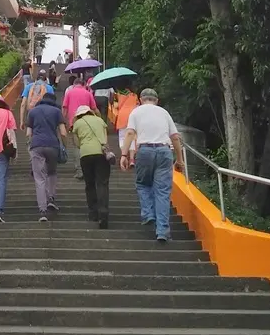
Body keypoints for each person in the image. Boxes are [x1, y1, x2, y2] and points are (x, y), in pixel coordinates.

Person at [119, 88, 185, 243]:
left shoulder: (136, 112)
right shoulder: (164, 113)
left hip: (145, 151)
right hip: (164, 151)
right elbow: (175, 137)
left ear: (141, 99)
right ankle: (162, 231)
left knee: (143, 184)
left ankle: (148, 214)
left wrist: (124, 155)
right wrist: (180, 160)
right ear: (157, 100)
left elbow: (129, 133)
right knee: (162, 192)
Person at [26, 91, 67, 221]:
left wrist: (30, 147)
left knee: (39, 178)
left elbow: (28, 133)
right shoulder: (56, 111)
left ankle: (42, 210)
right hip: (53, 145)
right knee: (52, 172)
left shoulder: (33, 112)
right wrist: (64, 146)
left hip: (37, 145)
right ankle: (51, 198)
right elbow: (63, 132)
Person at [72, 105, 111, 229]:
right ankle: (103, 213)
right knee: (102, 183)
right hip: (101, 154)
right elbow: (105, 139)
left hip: (85, 154)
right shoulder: (100, 121)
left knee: (89, 184)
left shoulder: (77, 124)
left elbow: (76, 143)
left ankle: (93, 212)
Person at [62, 78, 97, 180]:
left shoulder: (69, 92)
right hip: (88, 122)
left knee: (77, 146)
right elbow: (94, 108)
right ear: (83, 84)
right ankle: (89, 169)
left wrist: (63, 121)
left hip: (74, 123)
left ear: (74, 84)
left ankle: (79, 171)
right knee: (88, 143)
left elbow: (65, 108)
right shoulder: (88, 93)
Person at [115, 87, 139, 169]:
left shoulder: (119, 95)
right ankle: (132, 159)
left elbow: (117, 106)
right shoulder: (134, 95)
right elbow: (137, 105)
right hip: (133, 116)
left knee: (122, 138)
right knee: (132, 137)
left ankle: (124, 155)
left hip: (122, 117)